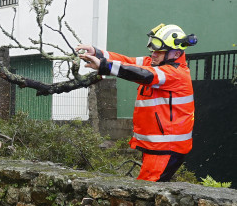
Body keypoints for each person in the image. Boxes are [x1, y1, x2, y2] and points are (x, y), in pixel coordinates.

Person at [77, 23, 197, 182]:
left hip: (166, 148)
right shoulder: (155, 63)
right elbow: (127, 62)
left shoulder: (176, 74)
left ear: (175, 53)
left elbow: (144, 75)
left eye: (158, 51)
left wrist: (105, 66)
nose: (153, 54)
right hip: (158, 147)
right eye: (152, 50)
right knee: (146, 194)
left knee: (145, 194)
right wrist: (99, 54)